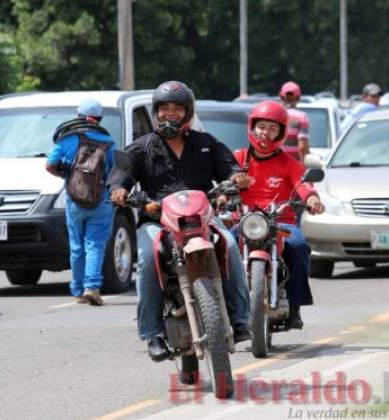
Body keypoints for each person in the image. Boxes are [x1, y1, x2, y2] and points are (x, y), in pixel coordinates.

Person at [108, 80, 251, 362]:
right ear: (155, 112)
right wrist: (119, 190)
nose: (170, 114)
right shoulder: (140, 147)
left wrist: (236, 179)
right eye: (164, 108)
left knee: (231, 246)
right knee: (148, 259)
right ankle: (152, 334)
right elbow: (119, 176)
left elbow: (231, 169)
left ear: (187, 112)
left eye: (177, 108)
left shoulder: (206, 143)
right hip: (157, 222)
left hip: (202, 219)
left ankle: (240, 319)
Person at [234, 100, 325, 329]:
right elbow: (225, 182)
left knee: (299, 246)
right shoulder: (239, 159)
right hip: (244, 221)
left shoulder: (289, 163)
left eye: (273, 128)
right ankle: (221, 306)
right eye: (262, 126)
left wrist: (312, 199)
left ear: (282, 133)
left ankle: (294, 305)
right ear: (252, 127)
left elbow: (303, 185)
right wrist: (230, 188)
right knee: (221, 245)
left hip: (280, 222)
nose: (266, 133)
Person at [46, 98, 115, 306]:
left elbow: (50, 165)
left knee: (76, 247)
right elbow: (114, 172)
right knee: (94, 244)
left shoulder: (67, 139)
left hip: (74, 201)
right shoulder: (109, 141)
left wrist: (67, 175)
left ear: (78, 116)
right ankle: (92, 287)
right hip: (100, 201)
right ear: (99, 118)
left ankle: (77, 290)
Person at [279, 81, 310, 162]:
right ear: (299, 97)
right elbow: (302, 146)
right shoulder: (301, 117)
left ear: (281, 96)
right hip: (293, 165)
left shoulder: (272, 115)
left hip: (273, 166)